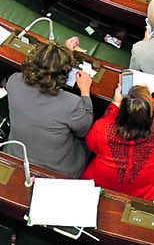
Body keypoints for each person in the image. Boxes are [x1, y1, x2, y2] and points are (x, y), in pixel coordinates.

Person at [6, 39, 95, 177]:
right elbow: (84, 130)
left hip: (16, 154)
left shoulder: (14, 81)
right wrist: (85, 91)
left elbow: (43, 70)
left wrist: (61, 55)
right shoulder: (72, 103)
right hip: (59, 169)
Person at [84, 86, 154, 199]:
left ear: (122, 111)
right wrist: (153, 97)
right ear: (150, 113)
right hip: (148, 193)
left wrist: (115, 104)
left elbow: (91, 145)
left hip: (105, 186)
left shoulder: (101, 128)